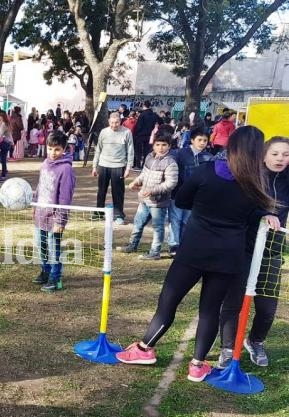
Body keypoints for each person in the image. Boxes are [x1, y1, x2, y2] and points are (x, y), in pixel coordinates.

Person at [116, 126, 280, 381]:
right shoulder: (257, 185)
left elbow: (181, 200)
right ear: (259, 152)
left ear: (231, 146)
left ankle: (144, 349)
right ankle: (197, 364)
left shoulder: (207, 172)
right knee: (209, 310)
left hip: (193, 250)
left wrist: (205, 207)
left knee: (169, 302)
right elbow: (254, 214)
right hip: (227, 256)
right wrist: (264, 214)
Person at [218, 136, 289, 368]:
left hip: (272, 249)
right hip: (244, 247)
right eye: (275, 153)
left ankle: (255, 341)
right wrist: (262, 214)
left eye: (286, 155)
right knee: (233, 303)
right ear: (264, 155)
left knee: (267, 308)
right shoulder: (252, 177)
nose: (280, 159)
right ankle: (227, 347)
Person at [120, 133, 179, 260]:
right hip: (144, 199)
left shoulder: (171, 162)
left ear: (169, 146)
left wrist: (153, 190)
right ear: (154, 144)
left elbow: (171, 183)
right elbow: (143, 174)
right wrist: (136, 181)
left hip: (158, 202)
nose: (160, 148)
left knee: (158, 227)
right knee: (138, 223)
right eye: (158, 144)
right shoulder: (149, 157)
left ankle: (155, 252)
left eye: (164, 145)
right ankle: (132, 245)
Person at [32, 131, 76, 292]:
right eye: (50, 149)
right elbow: (40, 187)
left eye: (57, 149)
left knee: (53, 248)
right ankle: (45, 271)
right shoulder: (45, 164)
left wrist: (60, 220)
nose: (53, 153)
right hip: (40, 214)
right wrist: (35, 206)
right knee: (40, 245)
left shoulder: (66, 169)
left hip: (54, 219)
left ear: (63, 149)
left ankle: (55, 278)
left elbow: (65, 197)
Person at [167, 129, 213, 254]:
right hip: (178, 192)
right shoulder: (179, 153)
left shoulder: (209, 157)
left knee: (187, 220)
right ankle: (174, 244)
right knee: (175, 219)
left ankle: (183, 243)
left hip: (196, 195)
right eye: (199, 140)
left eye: (205, 140)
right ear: (192, 140)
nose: (202, 143)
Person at [91, 113, 135, 223]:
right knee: (101, 191)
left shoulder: (127, 132)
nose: (114, 125)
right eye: (111, 123)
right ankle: (99, 213)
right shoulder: (103, 132)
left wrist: (128, 168)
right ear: (108, 122)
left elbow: (130, 151)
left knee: (118, 192)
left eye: (116, 123)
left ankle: (119, 214)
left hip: (118, 166)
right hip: (103, 165)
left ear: (120, 122)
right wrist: (94, 166)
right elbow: (98, 150)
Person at [134, 101, 161, 169]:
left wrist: (136, 133)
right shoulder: (154, 115)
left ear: (144, 106)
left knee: (138, 151)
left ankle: (138, 165)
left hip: (140, 135)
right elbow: (161, 122)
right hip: (150, 135)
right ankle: (144, 164)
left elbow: (139, 126)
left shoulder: (142, 115)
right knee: (147, 151)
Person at [0, 111, 13, 181]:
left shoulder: (4, 124)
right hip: (8, 143)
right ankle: (4, 172)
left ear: (1, 116)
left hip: (4, 143)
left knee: (2, 159)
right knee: (3, 159)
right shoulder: (7, 123)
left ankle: (3, 175)